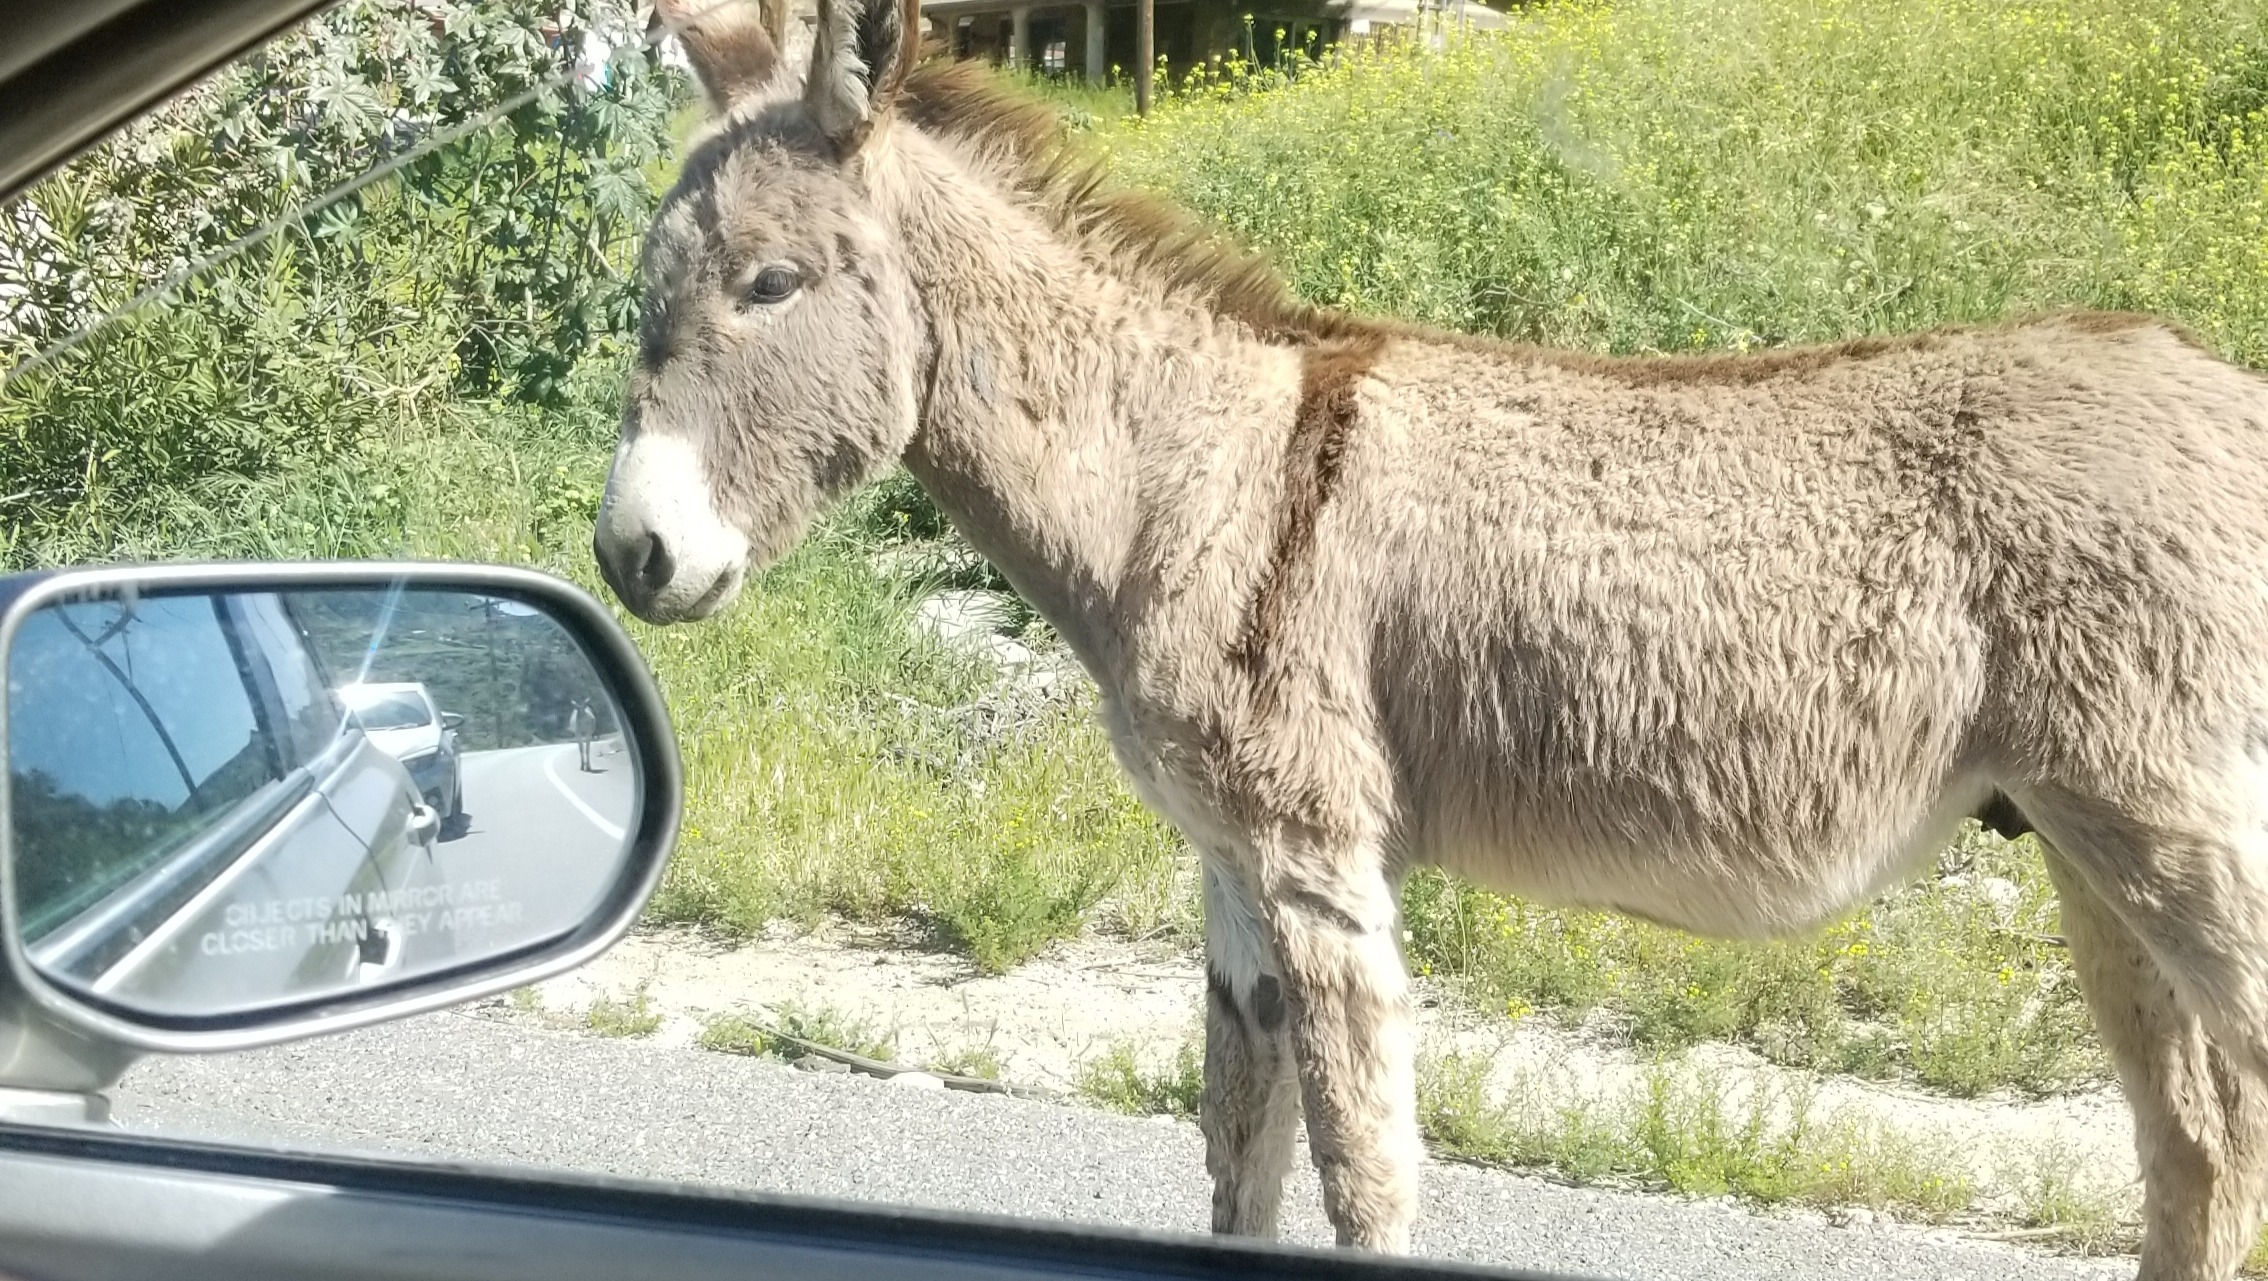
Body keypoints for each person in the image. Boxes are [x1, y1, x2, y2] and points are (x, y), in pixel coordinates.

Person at [569, 699, 597, 772]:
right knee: (580, 745)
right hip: (577, 726)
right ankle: (582, 761)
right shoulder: (575, 717)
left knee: (587, 744)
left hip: (587, 725)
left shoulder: (589, 716)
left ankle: (587, 763)